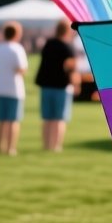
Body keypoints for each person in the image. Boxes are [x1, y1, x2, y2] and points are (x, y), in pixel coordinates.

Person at [36, 20, 78, 152]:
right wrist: (76, 84)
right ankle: (56, 146)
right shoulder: (67, 47)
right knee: (59, 119)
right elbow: (72, 68)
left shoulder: (48, 44)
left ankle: (46, 145)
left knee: (47, 118)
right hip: (61, 86)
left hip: (46, 85)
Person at [0, 22, 28, 156]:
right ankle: (11, 148)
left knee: (1, 121)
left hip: (0, 88)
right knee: (13, 121)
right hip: (14, 89)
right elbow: (21, 69)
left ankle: (0, 147)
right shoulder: (17, 49)